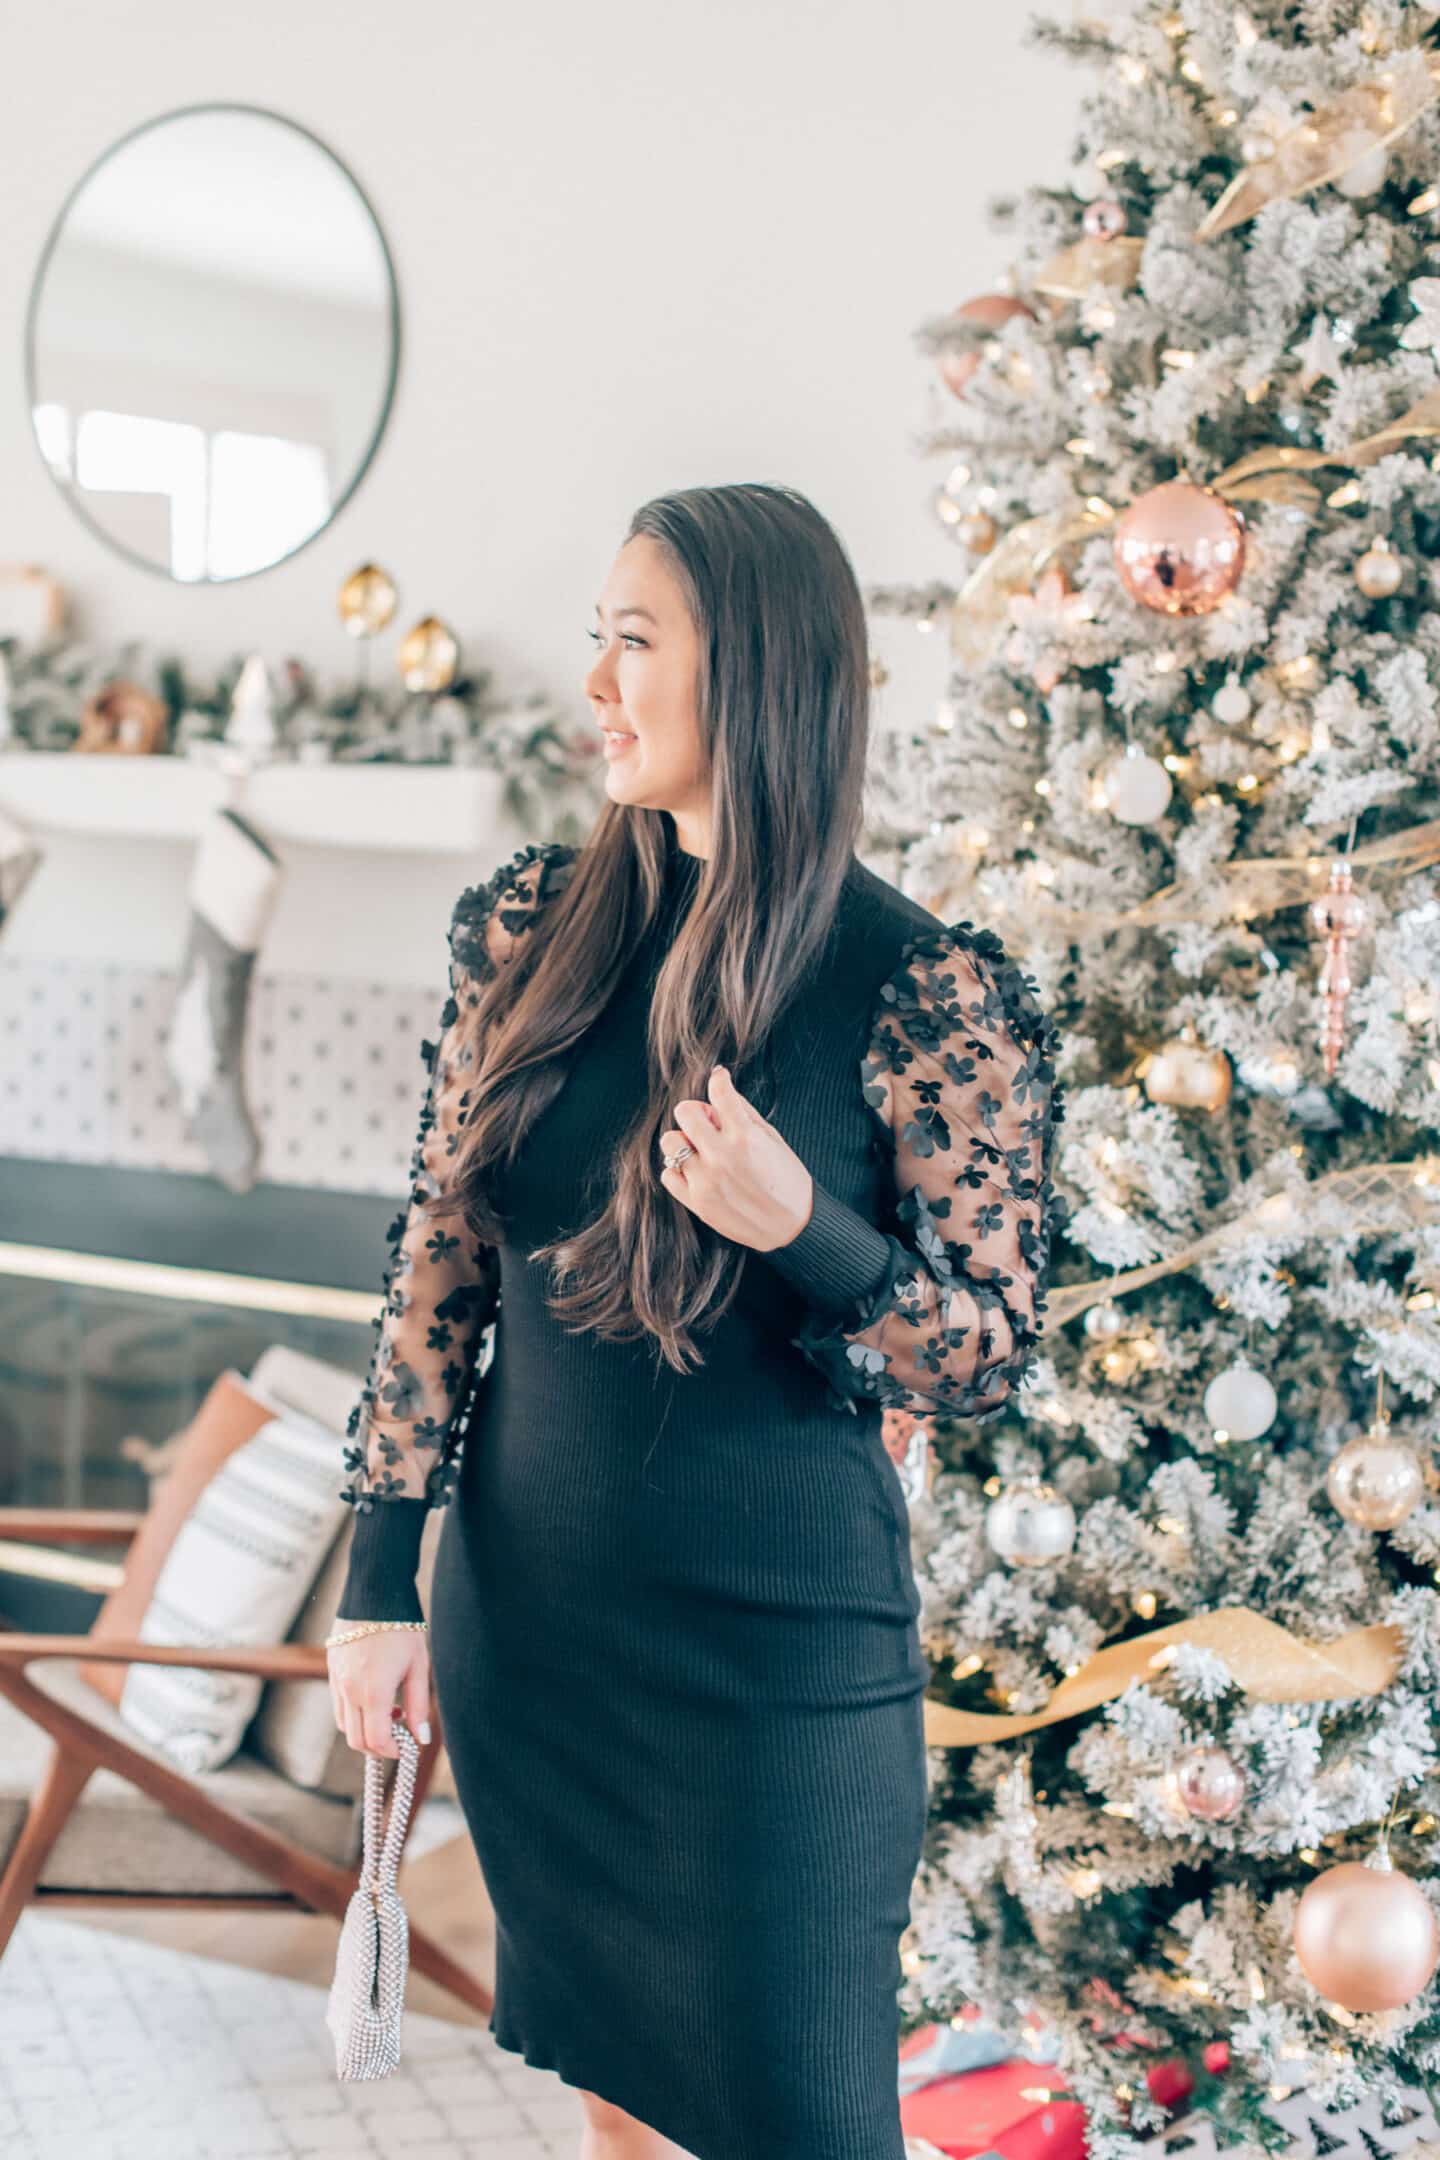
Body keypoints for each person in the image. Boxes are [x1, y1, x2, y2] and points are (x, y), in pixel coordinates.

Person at [325, 481, 1066, 2160]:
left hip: (781, 1669)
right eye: (598, 639)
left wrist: (808, 1232)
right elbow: (443, 1256)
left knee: (806, 2124)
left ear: (756, 671)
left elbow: (982, 1356)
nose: (595, 683)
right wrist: (378, 1581)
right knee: (628, 2118)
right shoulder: (535, 930)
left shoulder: (923, 990)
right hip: (540, 1640)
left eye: (635, 643)